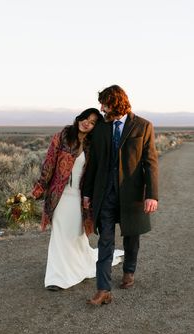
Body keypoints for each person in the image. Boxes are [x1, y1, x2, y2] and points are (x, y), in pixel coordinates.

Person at [32, 108, 124, 291]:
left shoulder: (92, 145)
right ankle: (56, 277)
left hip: (79, 197)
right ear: (79, 118)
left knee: (75, 234)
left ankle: (78, 264)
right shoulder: (63, 136)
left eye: (92, 122)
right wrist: (39, 187)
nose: (87, 123)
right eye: (85, 119)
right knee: (59, 233)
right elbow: (49, 163)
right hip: (60, 194)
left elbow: (95, 172)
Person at [83, 85, 158, 305]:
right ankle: (103, 289)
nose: (101, 108)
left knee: (131, 236)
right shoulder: (100, 128)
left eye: (105, 103)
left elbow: (150, 162)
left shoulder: (143, 126)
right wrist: (87, 193)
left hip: (132, 194)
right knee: (105, 240)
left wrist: (151, 195)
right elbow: (93, 163)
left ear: (115, 102)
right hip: (104, 194)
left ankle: (129, 271)